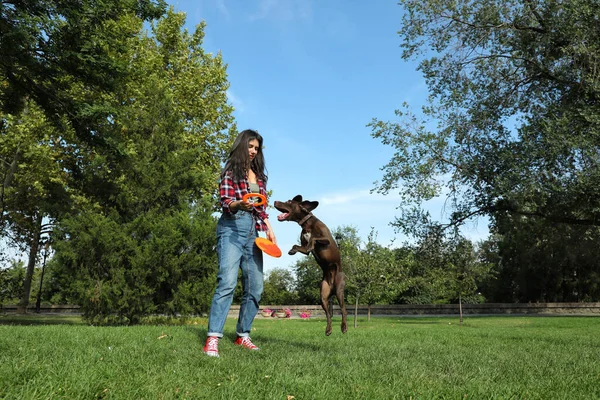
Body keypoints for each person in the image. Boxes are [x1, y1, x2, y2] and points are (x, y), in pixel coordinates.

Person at [203, 129, 277, 357]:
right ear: (242, 145)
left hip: (254, 230)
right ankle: (213, 338)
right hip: (232, 227)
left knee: (255, 286)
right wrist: (239, 204)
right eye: (250, 146)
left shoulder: (259, 177)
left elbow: (260, 208)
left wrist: (270, 230)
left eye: (257, 148)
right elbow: (226, 202)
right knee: (227, 282)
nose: (254, 151)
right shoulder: (230, 172)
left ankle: (242, 336)